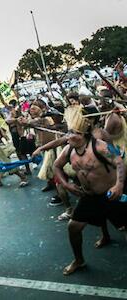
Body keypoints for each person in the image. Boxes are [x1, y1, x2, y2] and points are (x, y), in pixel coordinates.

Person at [54, 105, 127, 276]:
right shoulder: (69, 149)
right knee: (73, 227)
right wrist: (67, 184)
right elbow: (56, 166)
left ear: (83, 134)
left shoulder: (100, 146)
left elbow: (120, 162)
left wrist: (119, 185)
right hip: (90, 197)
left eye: (74, 132)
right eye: (69, 131)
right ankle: (79, 260)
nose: (69, 135)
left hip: (112, 195)